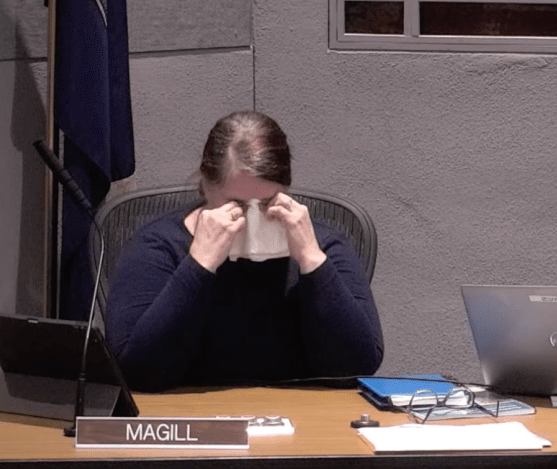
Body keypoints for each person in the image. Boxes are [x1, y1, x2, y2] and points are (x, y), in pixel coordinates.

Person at [106, 111, 383, 391]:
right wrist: (199, 264)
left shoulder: (324, 244)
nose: (252, 220)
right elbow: (136, 370)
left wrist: (312, 260)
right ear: (205, 185)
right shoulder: (159, 246)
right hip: (192, 410)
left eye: (266, 204)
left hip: (297, 411)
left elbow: (358, 367)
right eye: (236, 204)